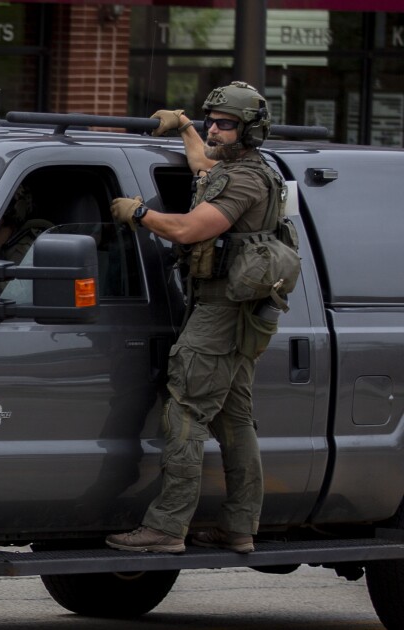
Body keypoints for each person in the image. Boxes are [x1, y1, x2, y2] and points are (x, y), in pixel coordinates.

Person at [105, 81, 289, 554]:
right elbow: (203, 165)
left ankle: (167, 527)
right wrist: (185, 126)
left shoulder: (246, 180)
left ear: (250, 132)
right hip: (236, 314)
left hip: (221, 314)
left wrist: (140, 214)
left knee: (185, 412)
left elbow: (188, 229)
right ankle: (240, 527)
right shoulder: (241, 169)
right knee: (235, 419)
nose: (214, 130)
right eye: (211, 122)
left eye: (225, 124)